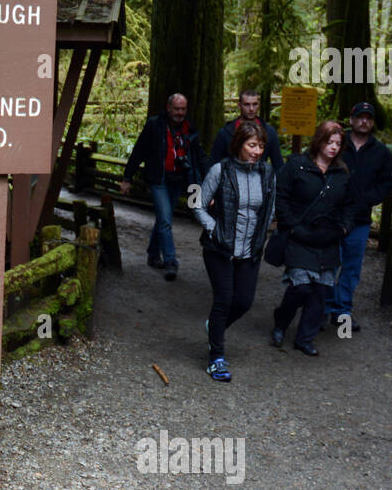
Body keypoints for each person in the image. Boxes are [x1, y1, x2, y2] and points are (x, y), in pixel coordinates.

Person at [192, 119, 277, 381]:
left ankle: (214, 328)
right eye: (252, 145)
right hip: (220, 248)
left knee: (244, 302)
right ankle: (216, 358)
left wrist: (264, 232)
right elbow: (197, 204)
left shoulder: (267, 173)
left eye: (261, 146)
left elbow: (270, 208)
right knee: (224, 299)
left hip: (250, 250)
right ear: (239, 144)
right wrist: (213, 229)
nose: (258, 151)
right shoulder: (221, 170)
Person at [270, 120, 352, 356]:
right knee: (301, 287)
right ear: (319, 141)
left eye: (338, 143)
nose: (333, 147)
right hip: (300, 236)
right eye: (329, 142)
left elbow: (349, 204)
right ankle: (281, 322)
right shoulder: (297, 166)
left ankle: (305, 338)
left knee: (320, 291)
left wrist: (344, 227)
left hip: (328, 239)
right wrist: (292, 226)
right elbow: (281, 197)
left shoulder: (342, 173)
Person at [325, 101, 392, 333]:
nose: (364, 121)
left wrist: (365, 199)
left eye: (369, 118)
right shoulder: (336, 143)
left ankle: (342, 312)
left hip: (360, 220)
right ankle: (321, 309)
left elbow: (387, 185)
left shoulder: (381, 152)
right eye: (360, 117)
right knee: (327, 263)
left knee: (352, 267)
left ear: (373, 122)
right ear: (352, 119)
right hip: (331, 217)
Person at [120, 93, 203, 281]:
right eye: (176, 109)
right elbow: (139, 150)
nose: (180, 113)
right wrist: (127, 178)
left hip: (178, 180)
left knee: (163, 219)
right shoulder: (155, 125)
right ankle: (171, 261)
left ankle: (152, 253)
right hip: (159, 180)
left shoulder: (189, 129)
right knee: (166, 220)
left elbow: (198, 157)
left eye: (183, 109)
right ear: (168, 108)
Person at [207, 89, 283, 171]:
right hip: (231, 180)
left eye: (254, 104)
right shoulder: (225, 132)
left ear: (259, 105)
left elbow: (278, 165)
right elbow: (213, 164)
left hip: (260, 179)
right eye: (246, 105)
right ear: (239, 105)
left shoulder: (269, 131)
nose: (251, 109)